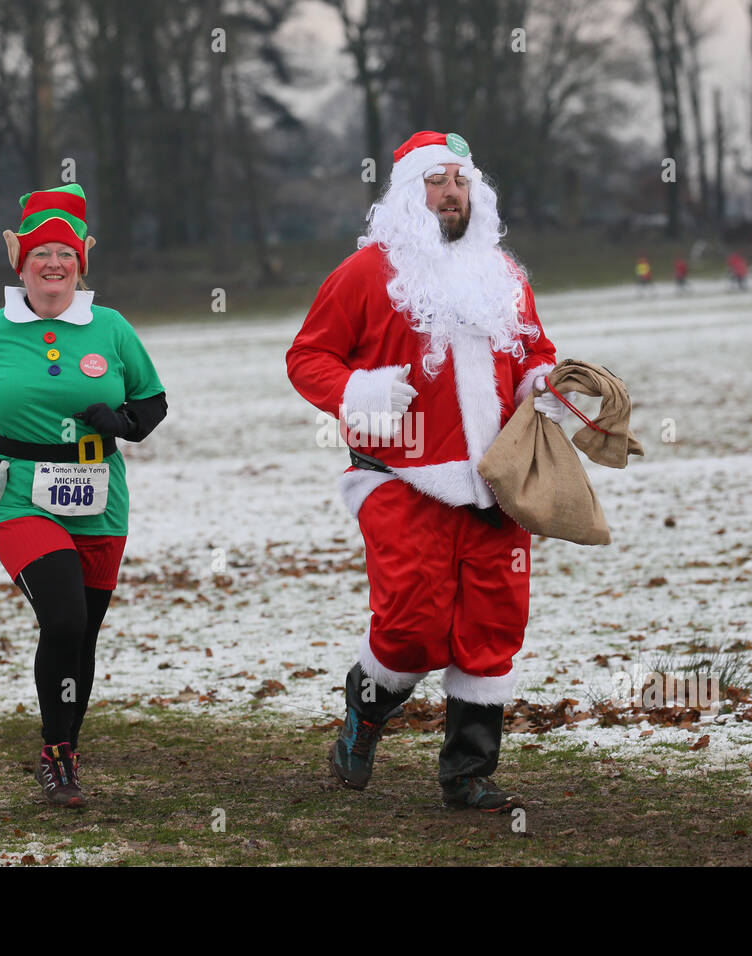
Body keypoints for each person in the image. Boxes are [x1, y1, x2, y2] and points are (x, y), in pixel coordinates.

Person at [286, 131, 569, 812]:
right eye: (436, 180)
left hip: (498, 482)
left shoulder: (502, 273)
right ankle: (365, 710)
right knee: (412, 626)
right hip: (398, 475)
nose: (450, 193)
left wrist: (547, 387)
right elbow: (308, 358)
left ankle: (468, 773)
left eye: (461, 181)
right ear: (409, 193)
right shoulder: (365, 274)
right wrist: (366, 391)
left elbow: (535, 351)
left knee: (493, 625)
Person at [0, 184, 167, 809]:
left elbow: (152, 401)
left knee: (81, 635)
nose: (53, 264)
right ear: (22, 262)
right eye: (40, 252)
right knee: (62, 617)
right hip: (20, 497)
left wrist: (121, 424)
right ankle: (55, 754)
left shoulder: (110, 328)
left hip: (100, 495)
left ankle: (67, 744)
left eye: (64, 253)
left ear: (80, 263)